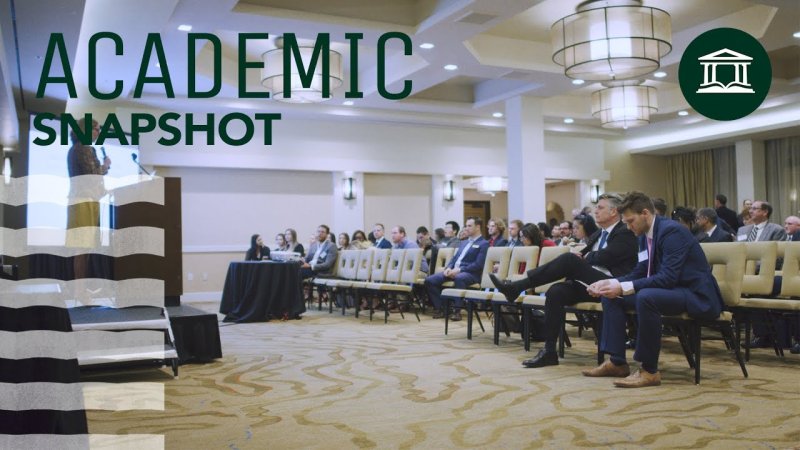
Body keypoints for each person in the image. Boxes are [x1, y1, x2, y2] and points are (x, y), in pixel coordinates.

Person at [582, 191, 724, 388]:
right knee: (611, 296)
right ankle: (617, 362)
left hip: (695, 293)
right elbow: (641, 270)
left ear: (645, 213)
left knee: (646, 297)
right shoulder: (643, 235)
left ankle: (649, 370)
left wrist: (623, 287)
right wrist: (611, 283)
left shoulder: (672, 232)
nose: (628, 227)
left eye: (631, 221)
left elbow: (667, 277)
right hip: (671, 291)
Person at [490, 193, 638, 368]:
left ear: (613, 211)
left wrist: (585, 257)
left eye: (600, 208)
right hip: (590, 283)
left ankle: (517, 287)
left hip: (613, 284)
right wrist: (583, 256)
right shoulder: (599, 233)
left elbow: (608, 256)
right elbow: (588, 255)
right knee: (556, 291)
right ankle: (549, 351)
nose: (595, 211)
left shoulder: (624, 231)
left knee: (569, 259)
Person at [67, 118, 111, 282]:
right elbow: (92, 174)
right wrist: (105, 165)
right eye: (96, 129)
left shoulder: (80, 148)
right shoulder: (83, 148)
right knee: (82, 249)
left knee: (84, 249)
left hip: (86, 201)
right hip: (83, 202)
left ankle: (81, 288)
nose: (99, 133)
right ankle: (80, 289)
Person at [424, 217, 489, 321]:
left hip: (471, 274)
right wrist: (448, 268)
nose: (466, 228)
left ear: (478, 227)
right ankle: (442, 308)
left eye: (469, 226)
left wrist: (459, 270)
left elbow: (478, 264)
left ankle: (457, 311)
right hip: (454, 271)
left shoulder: (484, 243)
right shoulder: (464, 242)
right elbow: (454, 259)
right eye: (466, 226)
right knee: (429, 280)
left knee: (459, 278)